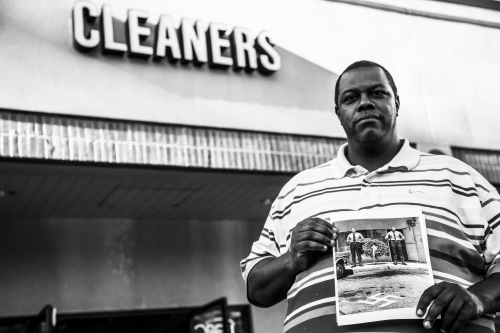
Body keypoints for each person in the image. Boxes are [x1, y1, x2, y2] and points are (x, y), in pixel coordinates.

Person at [240, 60, 500, 333]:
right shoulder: (297, 190)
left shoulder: (458, 177)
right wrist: (290, 259)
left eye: (378, 93)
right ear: (338, 112)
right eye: (351, 98)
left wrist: (477, 297)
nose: (365, 103)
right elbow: (257, 288)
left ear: (396, 102)